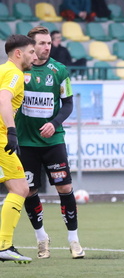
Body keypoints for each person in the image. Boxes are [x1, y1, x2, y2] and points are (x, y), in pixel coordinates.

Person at [15, 26, 85, 260]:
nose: (46, 47)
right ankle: (41, 238)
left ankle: (74, 240)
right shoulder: (17, 71)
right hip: (26, 143)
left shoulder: (59, 70)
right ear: (31, 46)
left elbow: (67, 104)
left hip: (53, 141)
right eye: (42, 43)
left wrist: (54, 123)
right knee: (29, 191)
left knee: (64, 189)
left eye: (48, 43)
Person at [0, 34, 37, 264]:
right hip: (1, 138)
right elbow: (4, 100)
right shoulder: (14, 73)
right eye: (31, 52)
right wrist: (12, 132)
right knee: (21, 188)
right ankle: (4, 245)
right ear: (18, 53)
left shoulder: (2, 70)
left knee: (18, 187)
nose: (35, 56)